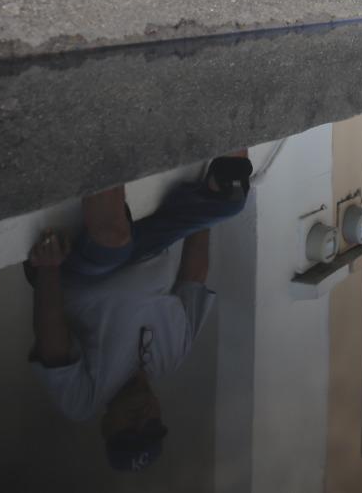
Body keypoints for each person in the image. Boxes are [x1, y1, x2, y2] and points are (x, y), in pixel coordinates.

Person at [27, 154, 252, 473]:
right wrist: (204, 214)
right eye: (151, 426)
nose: (141, 420)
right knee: (231, 199)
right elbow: (194, 277)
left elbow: (52, 341)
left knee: (112, 240)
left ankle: (103, 126)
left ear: (108, 428)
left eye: (129, 431)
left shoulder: (83, 401)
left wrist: (47, 269)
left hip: (84, 270)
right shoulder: (172, 356)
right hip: (149, 246)